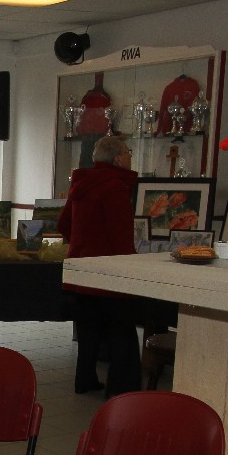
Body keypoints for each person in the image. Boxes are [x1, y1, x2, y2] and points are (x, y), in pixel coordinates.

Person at [57, 135, 142, 397]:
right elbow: (120, 236)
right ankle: (120, 390)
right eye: (128, 153)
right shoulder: (115, 187)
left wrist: (83, 245)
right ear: (118, 159)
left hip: (82, 271)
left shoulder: (81, 183)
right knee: (122, 334)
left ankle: (85, 380)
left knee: (89, 331)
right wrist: (131, 267)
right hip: (109, 274)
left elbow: (63, 224)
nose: (130, 157)